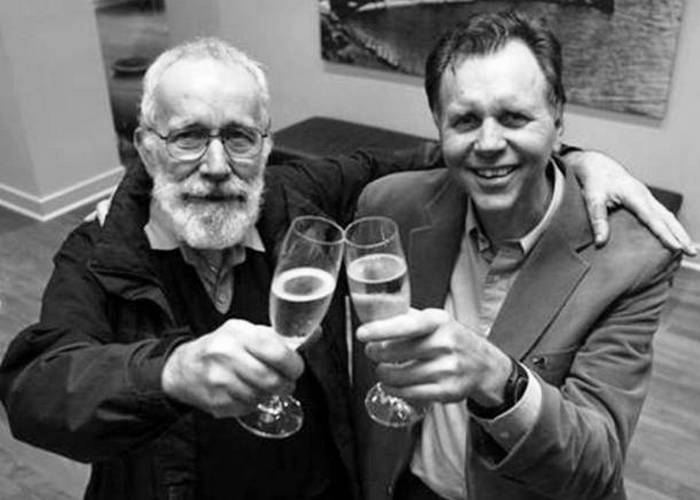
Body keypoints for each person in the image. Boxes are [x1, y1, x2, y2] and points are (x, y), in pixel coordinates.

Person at [0, 37, 689, 500]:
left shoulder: (297, 198)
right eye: (186, 137)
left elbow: (457, 153)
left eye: (238, 137)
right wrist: (169, 372)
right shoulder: (101, 251)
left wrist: (578, 159)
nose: (215, 165)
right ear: (146, 147)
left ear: (266, 145)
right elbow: (36, 390)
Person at [353, 11, 682, 500]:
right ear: (439, 126)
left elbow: (597, 464)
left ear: (558, 120)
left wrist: (497, 379)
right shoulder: (389, 206)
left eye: (514, 118)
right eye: (465, 121)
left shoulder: (631, 258)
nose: (488, 144)